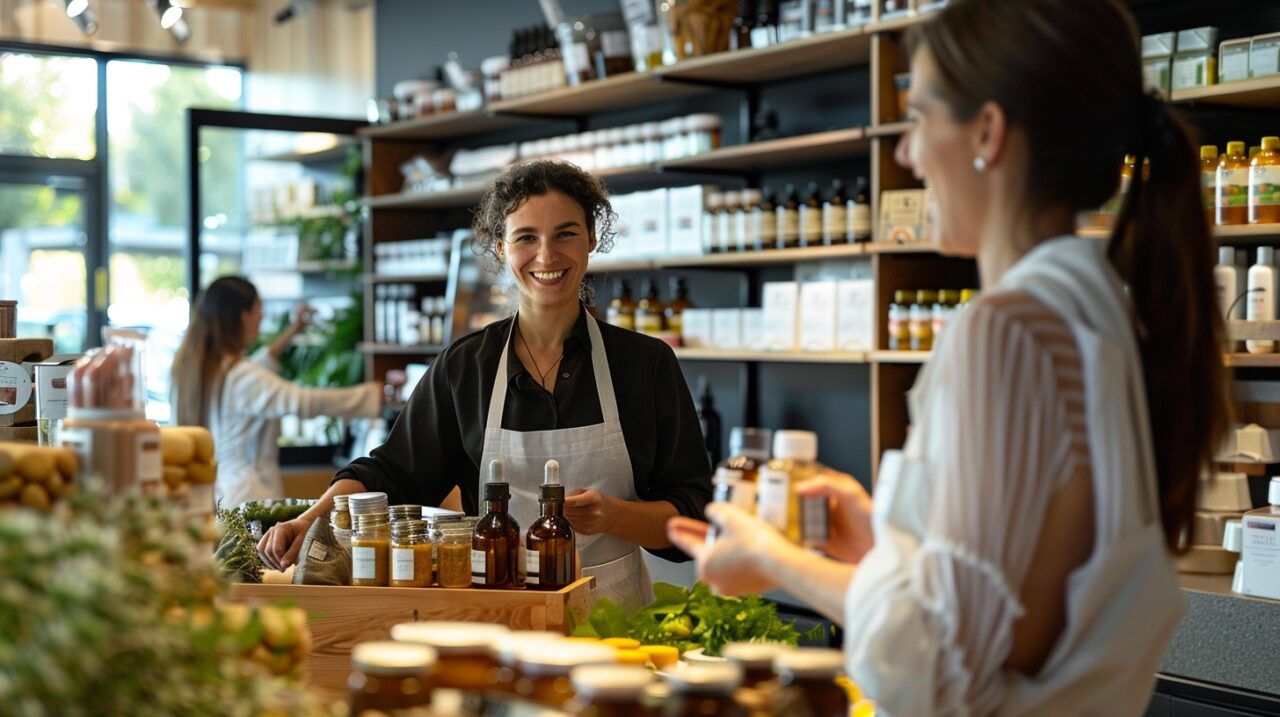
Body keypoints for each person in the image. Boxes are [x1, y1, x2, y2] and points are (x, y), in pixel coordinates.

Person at [668, 0, 1228, 714]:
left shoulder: (1007, 330)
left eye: (919, 116)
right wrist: (883, 539)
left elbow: (942, 664)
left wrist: (775, 559)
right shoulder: (1101, 311)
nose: (905, 153)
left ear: (987, 133)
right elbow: (1022, 620)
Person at [259, 160, 712, 610]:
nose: (547, 255)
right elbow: (392, 473)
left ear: (592, 239)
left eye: (566, 234)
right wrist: (309, 522)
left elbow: (691, 512)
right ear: (500, 247)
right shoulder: (466, 367)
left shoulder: (644, 364)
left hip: (617, 625)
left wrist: (616, 516)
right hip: (498, 619)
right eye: (526, 238)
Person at [171, 276, 383, 508]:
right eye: (259, 311)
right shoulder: (242, 378)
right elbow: (303, 401)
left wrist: (293, 331)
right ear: (243, 317)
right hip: (250, 499)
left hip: (224, 495)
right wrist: (372, 395)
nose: (261, 320)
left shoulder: (207, 370)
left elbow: (257, 368)